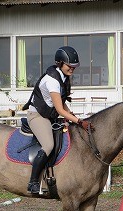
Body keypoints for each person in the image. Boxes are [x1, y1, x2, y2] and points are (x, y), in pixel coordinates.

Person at [24, 46, 93, 194]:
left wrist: (73, 116)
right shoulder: (52, 81)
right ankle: (33, 182)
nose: (72, 69)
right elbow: (60, 110)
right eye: (70, 66)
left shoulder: (63, 77)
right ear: (60, 63)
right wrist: (79, 121)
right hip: (37, 116)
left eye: (74, 66)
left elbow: (62, 104)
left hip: (50, 116)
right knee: (48, 145)